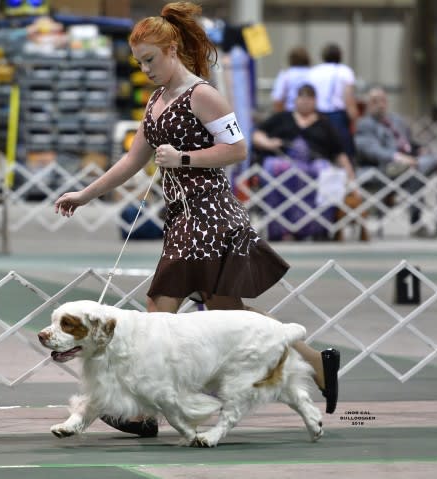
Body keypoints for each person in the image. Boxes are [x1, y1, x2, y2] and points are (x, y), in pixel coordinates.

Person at [54, 2, 340, 437]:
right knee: (228, 309)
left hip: (211, 221)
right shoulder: (155, 103)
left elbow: (238, 150)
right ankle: (318, 363)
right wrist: (86, 194)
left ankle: (142, 414)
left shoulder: (203, 95)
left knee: (157, 308)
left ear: (172, 50)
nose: (145, 69)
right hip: (183, 221)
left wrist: (184, 157)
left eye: (150, 60)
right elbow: (132, 160)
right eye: (139, 63)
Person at [252, 84, 356, 241]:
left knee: (325, 170)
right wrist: (269, 143)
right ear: (296, 100)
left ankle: (318, 230)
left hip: (314, 165)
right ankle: (280, 230)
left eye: (309, 98)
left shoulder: (325, 124)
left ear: (315, 101)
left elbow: (340, 153)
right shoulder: (282, 118)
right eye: (302, 97)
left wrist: (351, 180)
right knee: (274, 167)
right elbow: (257, 135)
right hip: (284, 162)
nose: (305, 101)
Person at [355, 86, 437, 235]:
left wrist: (419, 150)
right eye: (375, 101)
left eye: (382, 100)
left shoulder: (397, 120)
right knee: (417, 171)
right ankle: (416, 223)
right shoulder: (365, 124)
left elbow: (408, 143)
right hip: (383, 167)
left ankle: (419, 222)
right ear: (369, 104)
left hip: (408, 165)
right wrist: (398, 157)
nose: (380, 104)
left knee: (426, 166)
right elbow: (372, 150)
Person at [307, 43, 358, 158]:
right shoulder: (345, 71)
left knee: (318, 150)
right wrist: (354, 119)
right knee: (342, 151)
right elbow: (348, 98)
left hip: (316, 115)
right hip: (337, 116)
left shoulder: (313, 72)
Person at [271, 46, 311, 112]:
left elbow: (278, 98)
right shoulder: (313, 74)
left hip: (290, 112)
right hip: (310, 112)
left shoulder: (285, 75)